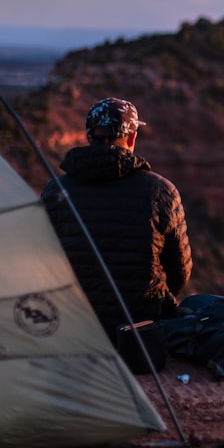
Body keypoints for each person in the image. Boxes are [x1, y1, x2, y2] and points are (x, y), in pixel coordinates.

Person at [41, 97, 192, 339]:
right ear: (132, 137)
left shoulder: (55, 190)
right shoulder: (160, 191)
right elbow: (179, 273)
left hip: (70, 327)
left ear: (89, 136)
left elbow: (39, 260)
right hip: (137, 333)